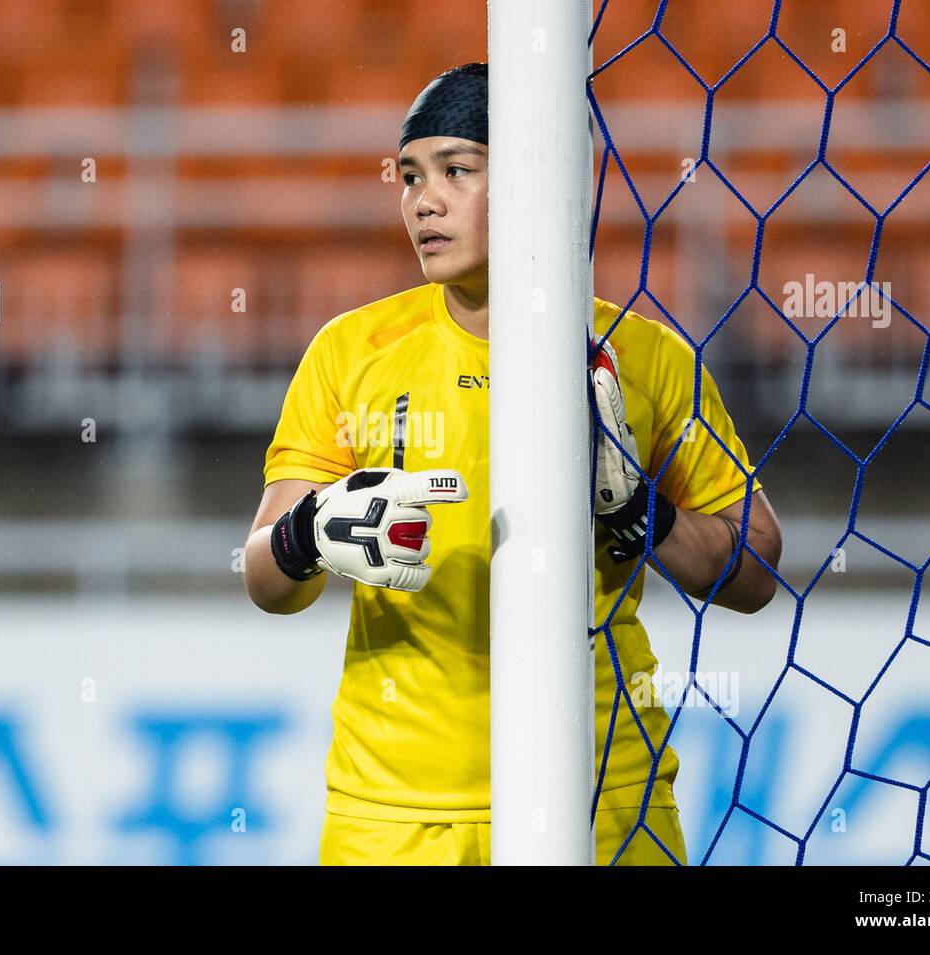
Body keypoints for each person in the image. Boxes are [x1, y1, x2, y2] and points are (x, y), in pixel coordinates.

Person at [242, 62, 783, 865]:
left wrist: (647, 518)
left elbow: (756, 569)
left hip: (604, 791)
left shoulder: (642, 358)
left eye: (456, 171)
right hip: (395, 814)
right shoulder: (350, 352)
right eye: (409, 177)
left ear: (538, 176)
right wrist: (309, 535)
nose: (423, 201)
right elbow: (264, 579)